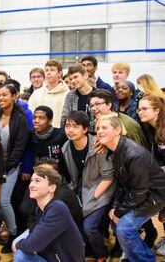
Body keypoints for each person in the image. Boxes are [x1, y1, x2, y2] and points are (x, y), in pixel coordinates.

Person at [97, 114, 165, 262]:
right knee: (116, 225)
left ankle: (144, 259)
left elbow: (140, 191)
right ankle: (142, 256)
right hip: (140, 194)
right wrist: (115, 207)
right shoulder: (115, 150)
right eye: (98, 128)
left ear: (118, 130)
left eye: (104, 127)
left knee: (124, 229)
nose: (99, 131)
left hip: (155, 197)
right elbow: (122, 185)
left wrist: (119, 212)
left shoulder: (133, 154)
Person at [62, 111, 115, 261]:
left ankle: (101, 254)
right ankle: (88, 249)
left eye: (75, 126)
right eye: (67, 126)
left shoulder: (98, 146)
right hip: (81, 189)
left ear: (85, 129)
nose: (70, 130)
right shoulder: (66, 146)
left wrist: (94, 196)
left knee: (89, 227)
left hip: (100, 189)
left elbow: (108, 177)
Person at [13, 165, 85, 262]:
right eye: (31, 181)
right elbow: (34, 237)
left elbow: (33, 244)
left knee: (20, 255)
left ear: (51, 188)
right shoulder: (40, 208)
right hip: (50, 256)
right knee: (22, 252)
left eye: (37, 181)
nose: (31, 185)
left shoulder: (57, 208)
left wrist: (18, 244)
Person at [0, 83, 29, 252]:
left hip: (10, 166)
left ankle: (13, 233)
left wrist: (3, 168)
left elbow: (19, 148)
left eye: (5, 95)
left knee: (4, 200)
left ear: (14, 96)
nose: (1, 98)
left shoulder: (20, 119)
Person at [138, 95, 165, 254]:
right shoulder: (151, 128)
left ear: (157, 110)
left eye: (144, 109)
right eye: (139, 109)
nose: (140, 112)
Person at [28, 60, 70, 128]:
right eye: (47, 70)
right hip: (39, 133)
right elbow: (30, 114)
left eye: (52, 70)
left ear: (60, 73)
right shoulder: (36, 93)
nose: (48, 73)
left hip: (59, 133)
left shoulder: (67, 94)